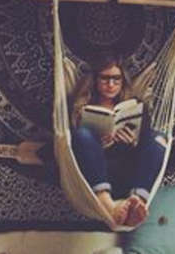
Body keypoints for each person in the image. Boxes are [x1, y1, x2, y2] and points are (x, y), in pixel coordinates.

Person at [14, 54, 167, 227]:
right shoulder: (79, 108)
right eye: (105, 79)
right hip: (91, 177)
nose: (111, 84)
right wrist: (98, 145)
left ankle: (136, 201)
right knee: (82, 135)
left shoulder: (135, 107)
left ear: (123, 81)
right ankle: (106, 204)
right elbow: (66, 147)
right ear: (95, 80)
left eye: (116, 79)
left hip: (127, 172)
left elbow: (146, 146)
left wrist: (132, 142)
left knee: (158, 139)